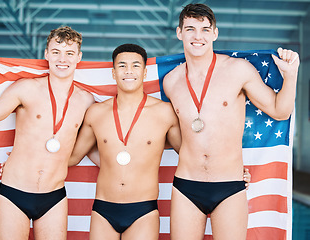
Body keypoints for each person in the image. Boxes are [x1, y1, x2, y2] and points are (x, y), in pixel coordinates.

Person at [163, 3, 299, 240]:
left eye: (205, 29)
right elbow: (178, 134)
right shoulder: (171, 81)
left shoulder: (238, 70)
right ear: (179, 32)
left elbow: (280, 111)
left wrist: (291, 74)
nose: (198, 36)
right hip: (186, 185)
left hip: (229, 185)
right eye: (191, 29)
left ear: (215, 33)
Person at [0, 26, 94, 239]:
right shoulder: (25, 88)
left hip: (54, 196)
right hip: (14, 193)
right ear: (46, 54)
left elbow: (79, 151)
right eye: (56, 52)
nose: (62, 59)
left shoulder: (86, 100)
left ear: (78, 57)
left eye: (69, 53)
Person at [68, 43, 181, 240]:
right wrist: (27, 160)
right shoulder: (96, 113)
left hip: (143, 210)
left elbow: (191, 156)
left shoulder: (164, 113)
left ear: (145, 72)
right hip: (103, 209)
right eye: (122, 65)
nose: (129, 71)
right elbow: (72, 157)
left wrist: (229, 171)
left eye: (136, 65)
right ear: (113, 72)